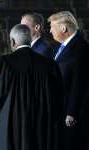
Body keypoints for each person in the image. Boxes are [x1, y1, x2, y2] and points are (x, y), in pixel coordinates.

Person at [0, 24, 65, 150]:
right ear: (30, 40)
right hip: (41, 128)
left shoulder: (4, 64)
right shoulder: (50, 65)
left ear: (12, 42)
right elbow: (59, 99)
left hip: (11, 127)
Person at [48, 11, 89, 150]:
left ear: (63, 28)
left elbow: (80, 84)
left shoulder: (81, 48)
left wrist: (72, 112)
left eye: (52, 27)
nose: (50, 31)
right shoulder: (60, 47)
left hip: (70, 113)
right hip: (59, 108)